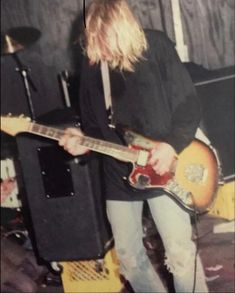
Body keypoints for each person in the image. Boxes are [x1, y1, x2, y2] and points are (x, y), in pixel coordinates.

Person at [59, 0, 209, 292]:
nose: (100, 48)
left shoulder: (156, 47)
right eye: (94, 39)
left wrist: (170, 145)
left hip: (163, 163)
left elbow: (189, 106)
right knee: (127, 258)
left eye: (107, 39)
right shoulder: (93, 64)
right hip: (118, 169)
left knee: (179, 255)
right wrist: (82, 142)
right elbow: (93, 125)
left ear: (124, 30)